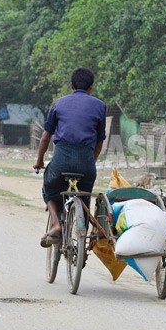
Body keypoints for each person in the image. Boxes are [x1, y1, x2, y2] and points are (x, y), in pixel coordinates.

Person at [33, 67, 106, 248]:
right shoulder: (100, 106)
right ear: (91, 87)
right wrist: (90, 161)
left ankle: (56, 224)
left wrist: (39, 161)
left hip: (61, 160)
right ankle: (82, 248)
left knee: (49, 186)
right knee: (84, 197)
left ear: (71, 85)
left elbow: (45, 137)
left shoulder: (59, 103)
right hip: (86, 162)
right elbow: (99, 142)